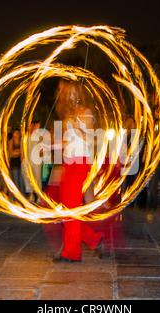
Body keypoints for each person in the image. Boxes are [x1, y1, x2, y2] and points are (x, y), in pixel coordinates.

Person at [53, 80, 103, 263]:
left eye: (74, 92)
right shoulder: (68, 116)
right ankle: (92, 238)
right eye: (68, 93)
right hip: (69, 162)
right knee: (65, 210)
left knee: (72, 208)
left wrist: (77, 126)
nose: (70, 95)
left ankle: (71, 252)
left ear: (80, 94)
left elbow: (90, 137)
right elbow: (68, 142)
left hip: (81, 161)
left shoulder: (87, 112)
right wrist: (51, 144)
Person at [8, 128, 24, 193]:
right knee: (16, 179)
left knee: (21, 179)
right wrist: (19, 152)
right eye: (16, 133)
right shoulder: (11, 141)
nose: (17, 135)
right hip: (14, 162)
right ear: (13, 134)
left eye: (18, 133)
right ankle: (17, 195)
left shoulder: (21, 141)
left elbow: (23, 151)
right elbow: (11, 153)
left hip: (20, 162)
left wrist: (17, 152)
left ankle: (22, 195)